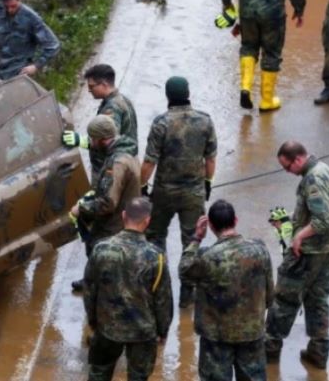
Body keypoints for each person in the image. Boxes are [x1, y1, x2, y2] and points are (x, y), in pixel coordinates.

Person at [140, 76, 217, 308]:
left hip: (164, 192)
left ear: (168, 96)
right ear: (188, 93)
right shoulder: (205, 121)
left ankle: (158, 284)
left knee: (155, 235)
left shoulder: (161, 123)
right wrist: (207, 182)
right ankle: (187, 292)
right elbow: (210, 158)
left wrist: (143, 186)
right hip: (193, 193)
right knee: (191, 240)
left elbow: (149, 162)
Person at [265, 141, 329, 370]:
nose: (287, 172)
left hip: (308, 252)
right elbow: (319, 210)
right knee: (318, 300)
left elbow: (323, 220)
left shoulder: (312, 180)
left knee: (284, 300)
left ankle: (269, 351)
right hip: (327, 251)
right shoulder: (323, 169)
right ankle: (318, 352)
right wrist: (289, 219)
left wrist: (298, 237)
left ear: (298, 159)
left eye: (287, 167)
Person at [179, 200, 273, 381]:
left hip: (216, 337)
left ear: (211, 226)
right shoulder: (260, 250)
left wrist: (197, 238)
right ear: (235, 220)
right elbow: (269, 296)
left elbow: (184, 271)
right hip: (251, 332)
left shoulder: (207, 257)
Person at [83, 197, 173, 381]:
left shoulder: (101, 249)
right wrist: (162, 331)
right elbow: (163, 299)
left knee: (99, 374)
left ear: (124, 216)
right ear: (147, 221)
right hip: (142, 331)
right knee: (139, 377)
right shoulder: (157, 257)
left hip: (107, 327)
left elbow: (89, 290)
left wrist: (93, 320)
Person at [70, 115, 142, 292]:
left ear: (102, 139)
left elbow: (108, 203)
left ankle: (102, 292)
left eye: (93, 139)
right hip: (124, 218)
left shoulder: (116, 163)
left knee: (107, 265)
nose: (92, 143)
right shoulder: (127, 153)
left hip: (114, 225)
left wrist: (81, 209)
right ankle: (92, 280)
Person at [62, 64, 138, 184]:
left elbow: (108, 141)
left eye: (92, 86)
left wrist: (80, 140)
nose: (89, 90)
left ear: (104, 84)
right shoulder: (121, 100)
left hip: (110, 169)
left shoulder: (112, 108)